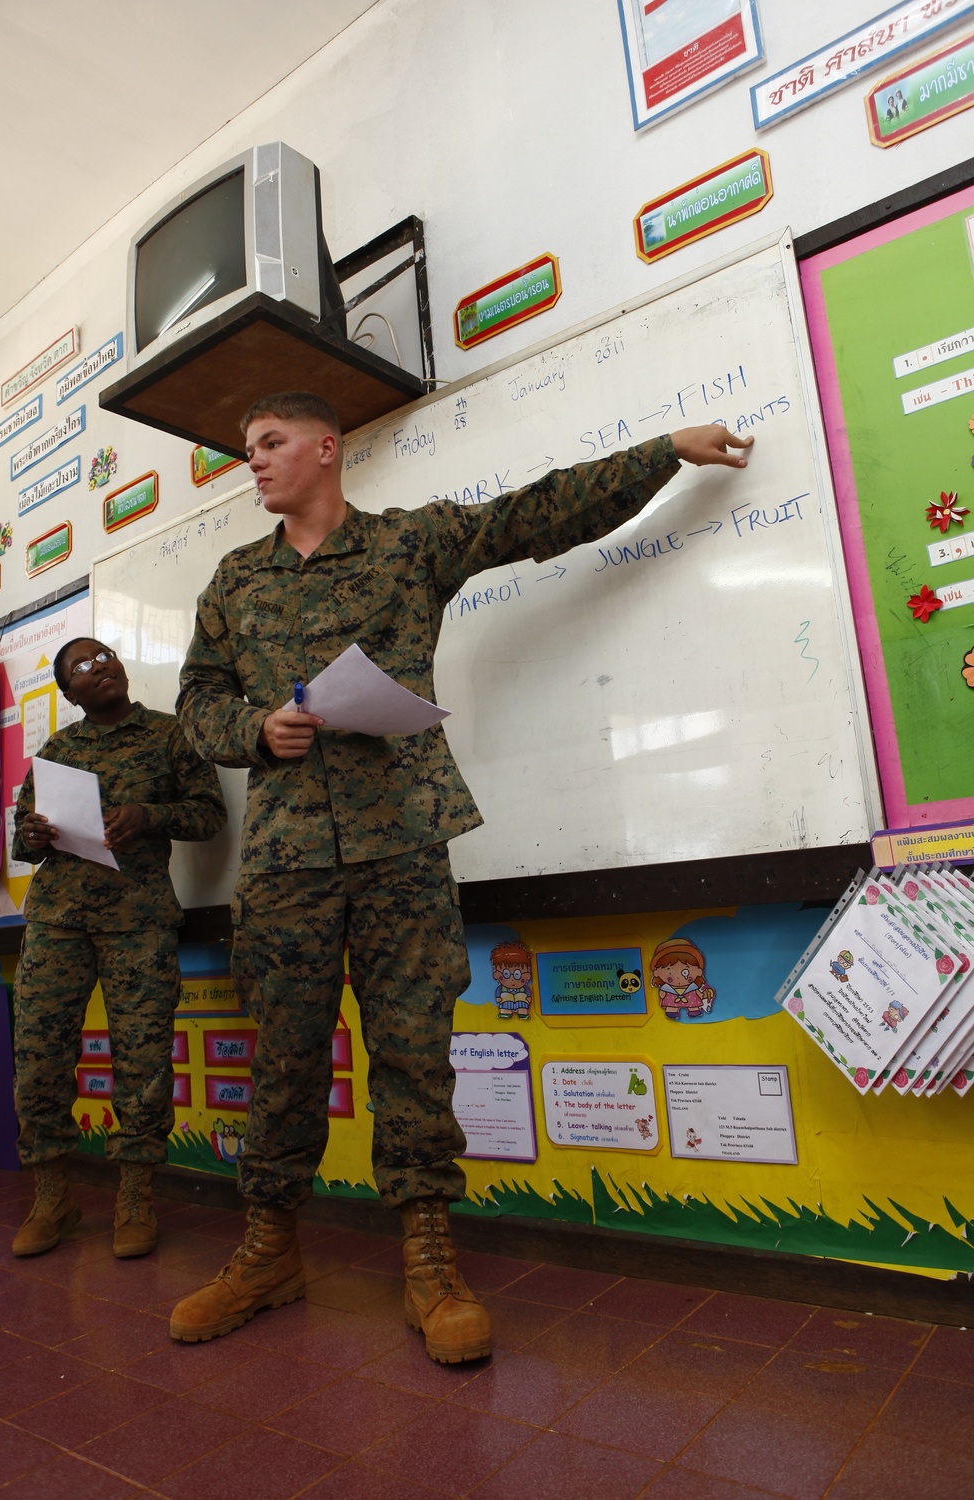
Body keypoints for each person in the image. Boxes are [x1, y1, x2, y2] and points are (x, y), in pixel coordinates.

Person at [169, 390, 752, 1360]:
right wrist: (254, 731)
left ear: (325, 449)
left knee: (411, 1054)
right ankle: (268, 1249)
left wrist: (663, 451)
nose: (255, 462)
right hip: (284, 861)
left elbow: (535, 515)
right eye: (248, 449)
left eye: (270, 444)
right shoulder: (234, 580)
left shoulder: (410, 543)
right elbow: (196, 700)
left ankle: (429, 1260)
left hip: (402, 839)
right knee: (283, 1060)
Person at [11, 638, 226, 1260]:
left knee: (142, 1062)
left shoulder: (168, 735)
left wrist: (148, 816)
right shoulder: (56, 753)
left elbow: (209, 814)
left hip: (137, 920)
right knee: (39, 1060)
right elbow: (27, 842)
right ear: (67, 692)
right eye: (80, 666)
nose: (97, 666)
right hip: (56, 922)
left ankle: (135, 1198)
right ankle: (52, 1195)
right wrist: (31, 832)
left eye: (103, 655)